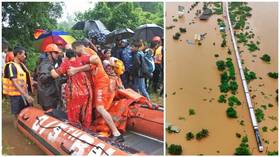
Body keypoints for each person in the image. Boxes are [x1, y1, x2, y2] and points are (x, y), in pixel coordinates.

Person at [67, 40, 124, 142]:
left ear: (78, 47)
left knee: (100, 108)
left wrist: (76, 69)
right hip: (96, 83)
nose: (75, 52)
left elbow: (93, 64)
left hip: (100, 82)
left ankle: (116, 133)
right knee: (96, 107)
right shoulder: (82, 55)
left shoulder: (88, 52)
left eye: (75, 50)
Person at [50, 49, 93, 129]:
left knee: (73, 113)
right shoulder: (81, 60)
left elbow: (55, 75)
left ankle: (75, 129)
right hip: (87, 91)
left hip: (74, 92)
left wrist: (51, 68)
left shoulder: (66, 63)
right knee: (86, 112)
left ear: (66, 56)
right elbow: (90, 66)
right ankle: (86, 129)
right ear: (75, 55)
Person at [2, 46, 33, 119]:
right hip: (16, 96)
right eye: (23, 54)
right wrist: (26, 96)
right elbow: (15, 83)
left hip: (23, 94)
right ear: (18, 54)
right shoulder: (11, 66)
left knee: (26, 114)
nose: (25, 56)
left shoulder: (21, 65)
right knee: (17, 116)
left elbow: (24, 80)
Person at [36, 44, 61, 111]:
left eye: (58, 53)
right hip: (47, 98)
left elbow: (57, 78)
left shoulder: (52, 63)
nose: (57, 54)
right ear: (49, 53)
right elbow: (42, 79)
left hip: (52, 95)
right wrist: (52, 76)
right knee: (50, 117)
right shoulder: (45, 64)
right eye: (55, 52)